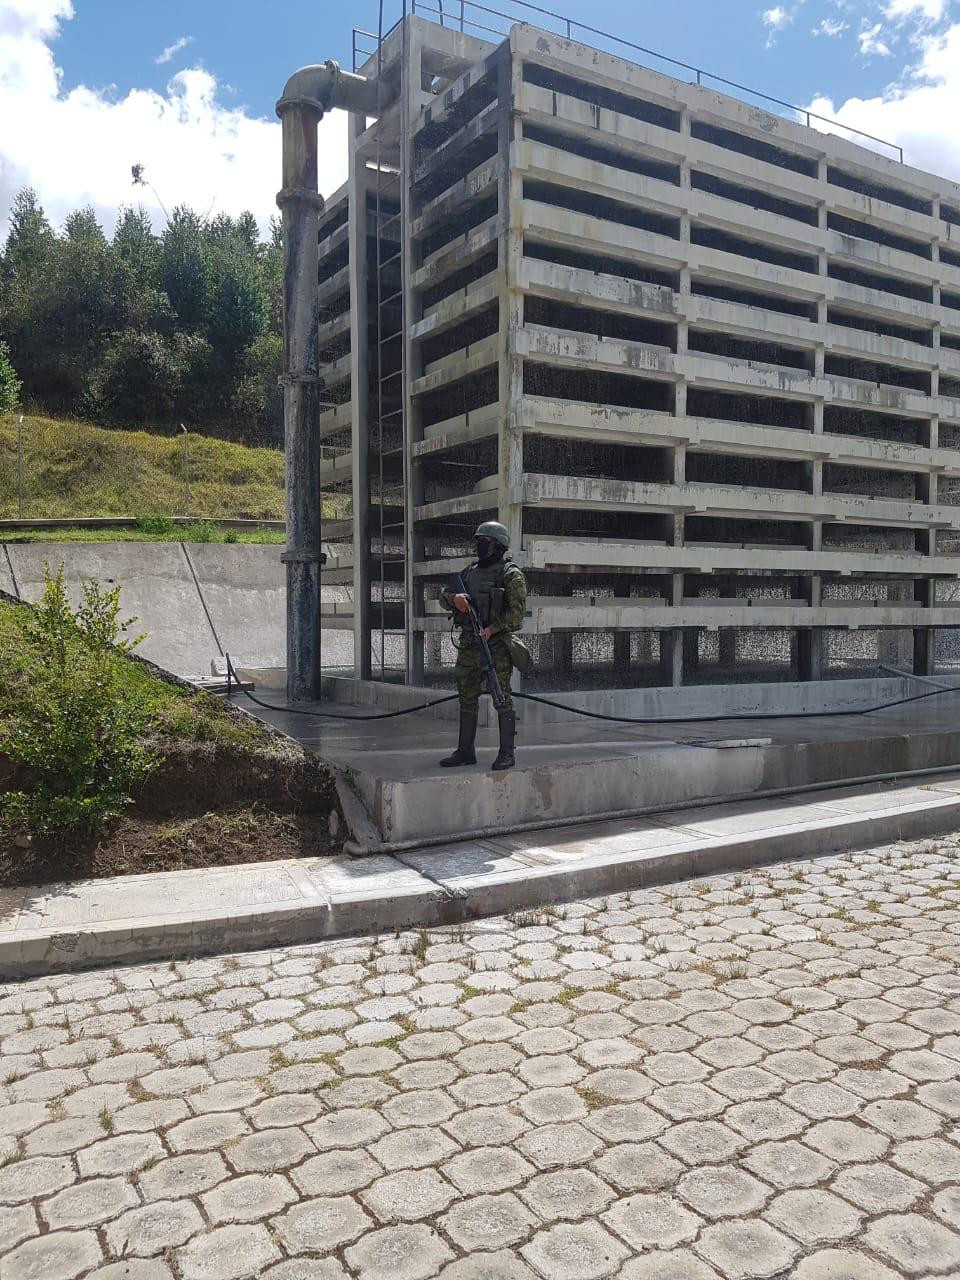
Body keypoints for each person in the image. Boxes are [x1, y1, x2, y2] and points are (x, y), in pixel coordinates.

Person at [438, 521, 527, 771]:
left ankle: (507, 753)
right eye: (478, 541)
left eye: (483, 542)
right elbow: (443, 595)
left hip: (495, 646)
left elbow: (517, 615)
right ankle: (465, 751)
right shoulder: (468, 573)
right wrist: (454, 600)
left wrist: (492, 629)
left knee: (501, 696)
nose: (478, 546)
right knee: (467, 696)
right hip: (469, 644)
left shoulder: (511, 574)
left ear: (497, 546)